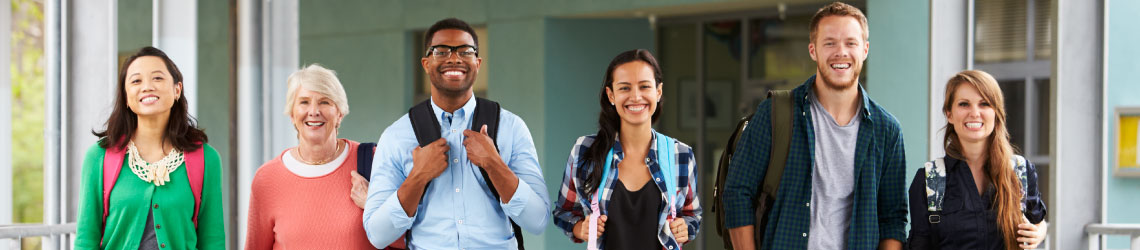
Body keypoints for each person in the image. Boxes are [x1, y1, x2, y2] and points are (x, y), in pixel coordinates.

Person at [722, 2, 908, 250]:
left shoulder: (887, 130)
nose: (841, 52)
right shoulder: (775, 113)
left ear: (865, 50)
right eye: (830, 43)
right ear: (813, 50)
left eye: (850, 43)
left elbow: (893, 218)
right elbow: (737, 194)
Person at [362, 18, 549, 249]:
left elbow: (538, 220)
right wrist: (418, 176)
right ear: (426, 63)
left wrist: (493, 163)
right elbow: (378, 235)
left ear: (478, 63)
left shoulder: (511, 127)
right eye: (441, 51)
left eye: (465, 51)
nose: (454, 58)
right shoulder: (397, 135)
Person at [551, 49, 702, 249]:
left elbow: (693, 215)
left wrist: (686, 228)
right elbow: (564, 211)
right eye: (625, 88)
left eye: (644, 86)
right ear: (611, 95)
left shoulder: (680, 155)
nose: (636, 96)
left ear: (658, 92)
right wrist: (581, 228)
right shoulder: (585, 150)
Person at [76, 46, 224, 249]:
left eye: (157, 78)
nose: (147, 87)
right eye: (136, 81)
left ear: (177, 90)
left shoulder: (207, 159)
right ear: (126, 97)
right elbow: (86, 239)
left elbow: (213, 240)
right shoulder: (99, 157)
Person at [246, 64, 402, 249]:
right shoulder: (267, 178)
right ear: (292, 114)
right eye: (304, 102)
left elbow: (411, 239)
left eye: (325, 102)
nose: (314, 111)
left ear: (340, 114)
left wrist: (373, 207)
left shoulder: (375, 162)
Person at [906, 70, 1048, 250]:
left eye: (984, 104)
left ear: (996, 112)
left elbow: (1039, 221)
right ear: (949, 114)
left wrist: (1038, 233)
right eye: (964, 104)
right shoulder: (929, 180)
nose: (975, 113)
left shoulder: (1020, 171)